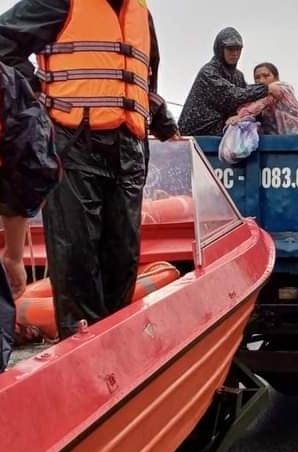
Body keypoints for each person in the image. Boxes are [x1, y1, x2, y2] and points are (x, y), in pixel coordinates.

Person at [0, 0, 179, 339]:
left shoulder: (141, 13)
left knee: (122, 260)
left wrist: (162, 121)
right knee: (76, 261)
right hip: (72, 145)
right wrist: (38, 90)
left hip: (128, 152)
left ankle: (117, 350)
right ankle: (81, 350)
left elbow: (144, 78)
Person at [178, 27, 279, 136]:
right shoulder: (209, 72)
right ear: (220, 49)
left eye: (238, 49)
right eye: (230, 49)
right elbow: (232, 96)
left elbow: (246, 100)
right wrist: (266, 89)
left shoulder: (238, 76)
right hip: (199, 135)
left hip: (221, 131)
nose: (235, 53)